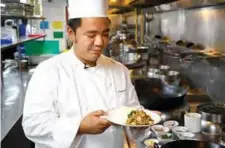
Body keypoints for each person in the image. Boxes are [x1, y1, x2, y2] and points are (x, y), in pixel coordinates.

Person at [22, 0, 142, 148]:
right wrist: (79, 126)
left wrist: (143, 121)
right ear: (71, 33)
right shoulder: (48, 71)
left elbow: (132, 115)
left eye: (105, 34)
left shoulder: (119, 70)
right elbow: (33, 125)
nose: (99, 42)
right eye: (91, 35)